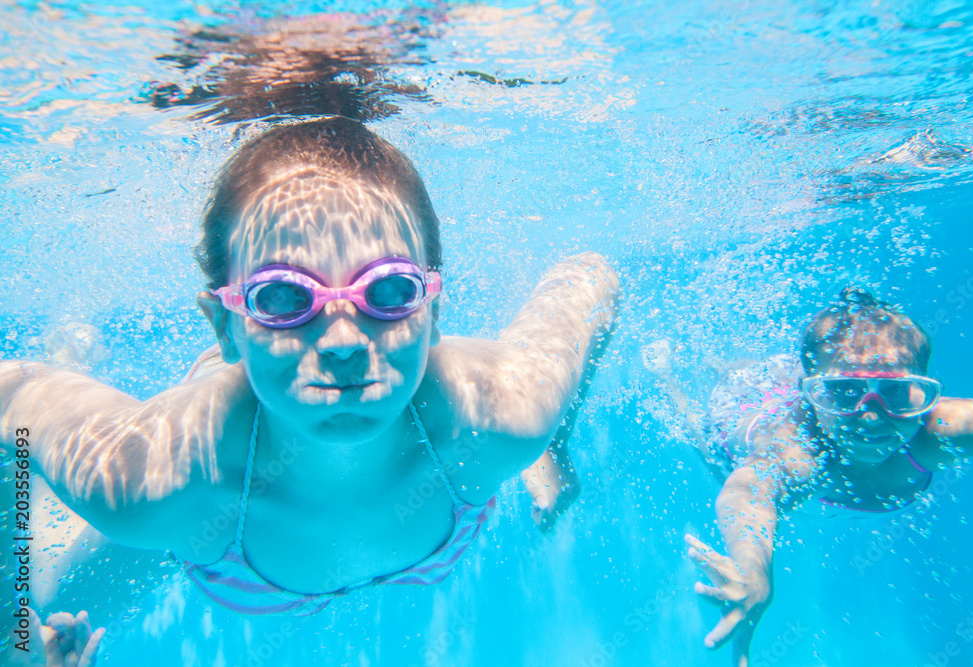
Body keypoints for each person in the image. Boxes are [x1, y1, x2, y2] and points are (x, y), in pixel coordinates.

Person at [0, 116, 619, 616]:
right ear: (225, 327)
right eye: (284, 297)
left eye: (387, 291)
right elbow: (13, 396)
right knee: (40, 609)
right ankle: (71, 358)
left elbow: (591, 277)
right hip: (219, 532)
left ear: (433, 309)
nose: (345, 340)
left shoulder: (508, 414)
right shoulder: (153, 482)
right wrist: (13, 635)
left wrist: (555, 441)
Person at [650, 287, 973, 666]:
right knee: (698, 436)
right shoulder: (798, 452)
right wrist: (753, 571)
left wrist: (843, 390)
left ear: (924, 391)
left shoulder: (937, 429)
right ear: (813, 396)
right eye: (845, 392)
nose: (870, 415)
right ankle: (665, 376)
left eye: (895, 391)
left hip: (794, 387)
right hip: (736, 418)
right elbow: (747, 493)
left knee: (766, 374)